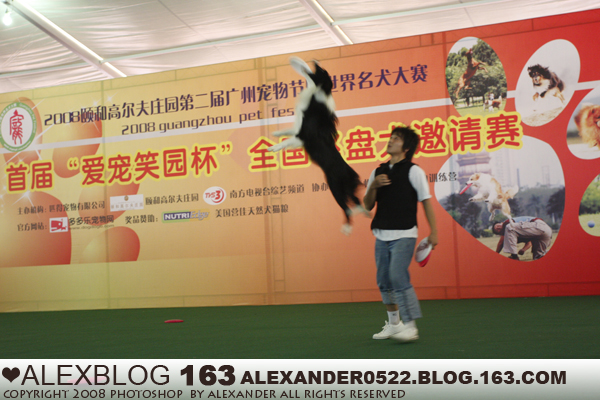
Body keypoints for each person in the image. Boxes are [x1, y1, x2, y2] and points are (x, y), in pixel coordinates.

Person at [363, 126, 438, 343]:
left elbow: (426, 201)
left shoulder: (414, 171)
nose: (390, 140)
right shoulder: (377, 172)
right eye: (391, 137)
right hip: (381, 235)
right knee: (384, 280)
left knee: (398, 276)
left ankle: (411, 326)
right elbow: (367, 205)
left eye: (396, 138)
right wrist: (373, 186)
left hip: (405, 234)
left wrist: (434, 232)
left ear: (406, 148)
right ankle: (394, 325)